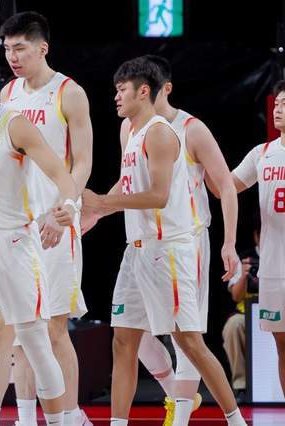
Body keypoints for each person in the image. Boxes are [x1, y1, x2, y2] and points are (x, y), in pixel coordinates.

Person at [0, 12, 93, 425]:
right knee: (9, 334)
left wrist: (66, 209)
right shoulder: (6, 92)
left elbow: (82, 163)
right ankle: (24, 418)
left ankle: (71, 417)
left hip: (54, 224)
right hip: (12, 228)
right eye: (7, 49)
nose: (12, 56)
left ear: (42, 48)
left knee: (53, 331)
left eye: (20, 48)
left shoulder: (69, 93)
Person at [81, 56, 245, 426]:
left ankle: (228, 419)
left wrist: (229, 242)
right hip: (137, 246)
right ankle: (138, 413)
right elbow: (129, 184)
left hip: (177, 243)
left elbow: (192, 191)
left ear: (148, 90)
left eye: (122, 89)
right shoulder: (129, 129)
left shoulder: (176, 130)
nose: (116, 97)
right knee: (124, 339)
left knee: (188, 342)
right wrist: (97, 212)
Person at [231, 79, 285, 398]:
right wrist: (195, 164)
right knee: (282, 346)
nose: (278, 108)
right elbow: (226, 186)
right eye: (276, 103)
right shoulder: (262, 153)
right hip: (274, 268)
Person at [223, 214, 260, 399]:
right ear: (256, 235)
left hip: (278, 313)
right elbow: (236, 296)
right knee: (233, 326)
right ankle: (241, 385)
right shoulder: (244, 258)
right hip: (248, 316)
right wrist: (245, 275)